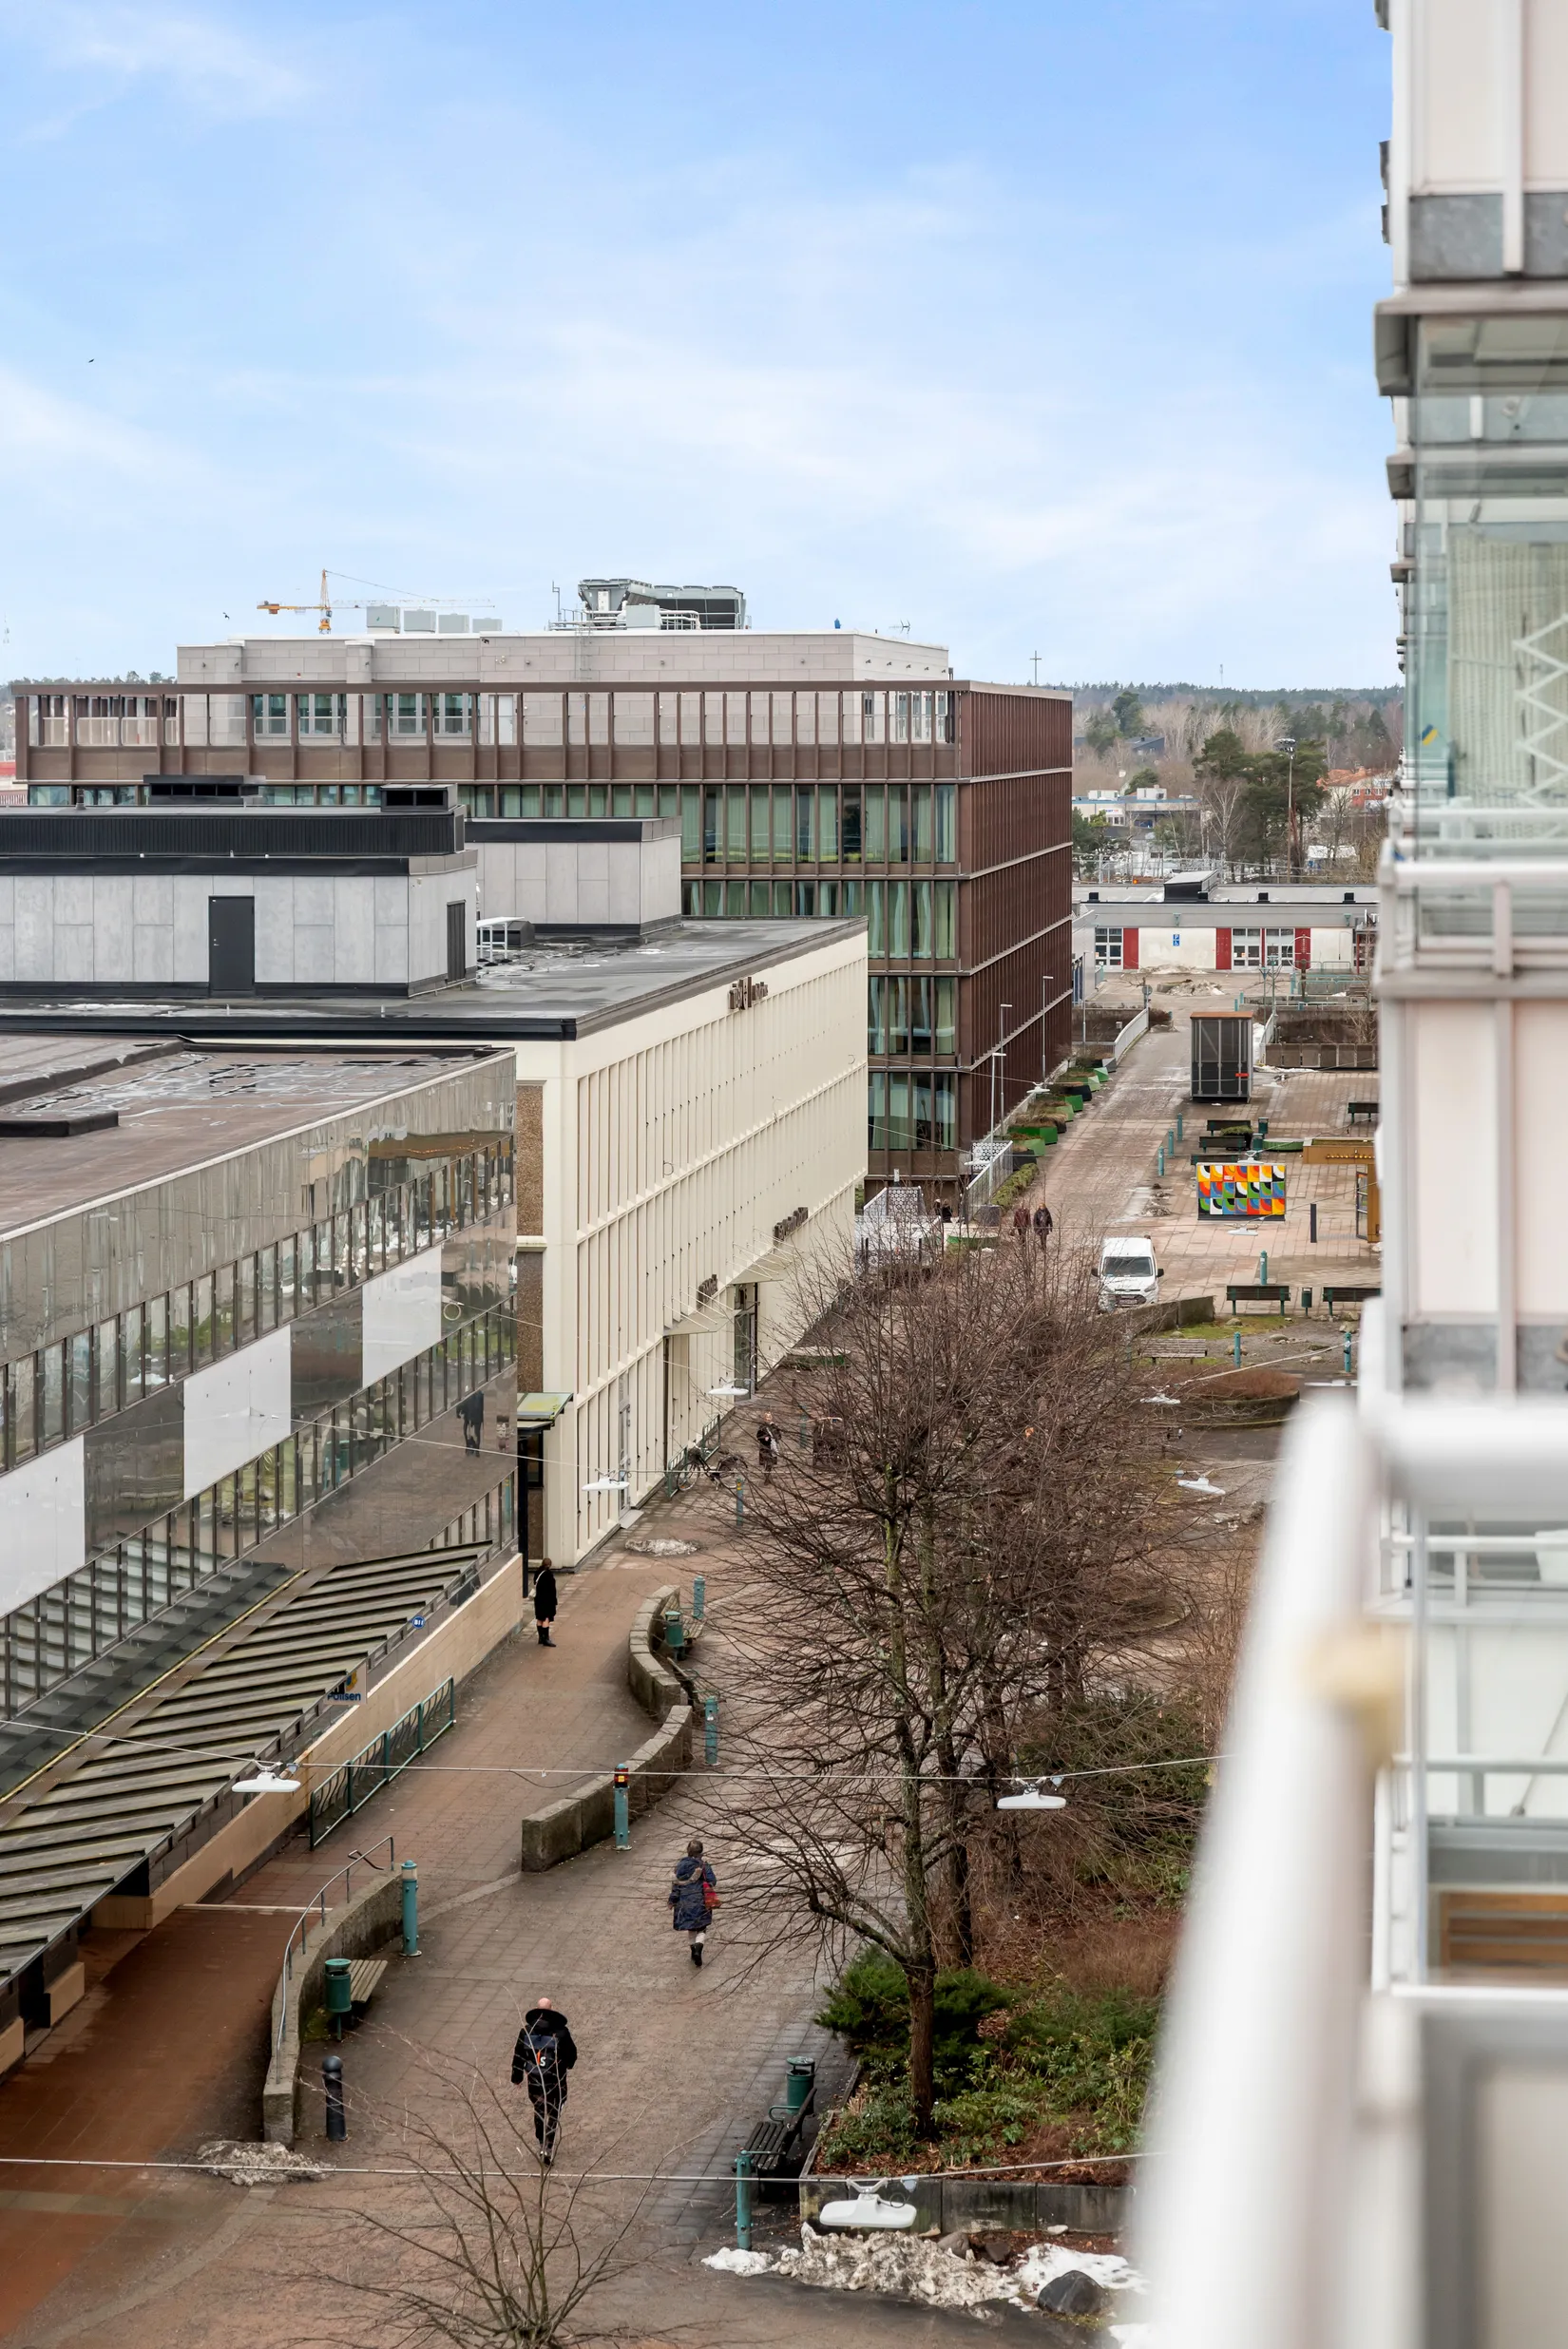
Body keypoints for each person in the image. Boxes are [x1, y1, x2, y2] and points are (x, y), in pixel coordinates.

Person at [510, 1995, 578, 2162]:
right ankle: (548, 2145)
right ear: (551, 2009)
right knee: (554, 2112)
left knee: (539, 2110)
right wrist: (568, 2065)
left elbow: (519, 2055)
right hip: (555, 2080)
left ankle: (541, 2142)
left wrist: (517, 2078)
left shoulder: (526, 2032)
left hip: (534, 2081)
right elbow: (571, 2053)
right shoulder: (561, 2033)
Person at [669, 1837, 717, 1966]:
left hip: (684, 1901)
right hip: (700, 1900)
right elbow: (712, 1881)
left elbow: (675, 1885)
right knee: (701, 1928)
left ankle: (693, 1952)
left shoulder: (679, 1866)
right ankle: (698, 1950)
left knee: (690, 1927)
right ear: (701, 1851)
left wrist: (672, 1900)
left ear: (688, 1851)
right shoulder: (704, 1865)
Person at [533, 1556, 557, 1647]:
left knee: (539, 1618)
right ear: (550, 1565)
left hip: (538, 1599)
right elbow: (552, 1590)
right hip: (546, 1600)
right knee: (546, 1618)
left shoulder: (538, 1572)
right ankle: (546, 1639)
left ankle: (540, 1638)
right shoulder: (548, 1575)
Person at [755, 1411, 781, 1484]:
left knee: (771, 1463)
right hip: (765, 1447)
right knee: (767, 1462)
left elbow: (779, 1436)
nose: (768, 1419)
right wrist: (765, 1438)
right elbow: (758, 1436)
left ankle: (768, 1478)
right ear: (764, 1418)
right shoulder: (762, 1427)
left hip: (773, 1447)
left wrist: (776, 1436)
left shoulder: (774, 1426)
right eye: (766, 1417)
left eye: (769, 1417)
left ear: (771, 1418)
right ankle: (767, 1478)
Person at [460, 1390, 485, 1454]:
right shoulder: (479, 1394)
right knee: (475, 1433)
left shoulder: (477, 1395)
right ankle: (475, 1448)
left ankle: (473, 1447)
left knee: (474, 1432)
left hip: (473, 1416)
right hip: (472, 1416)